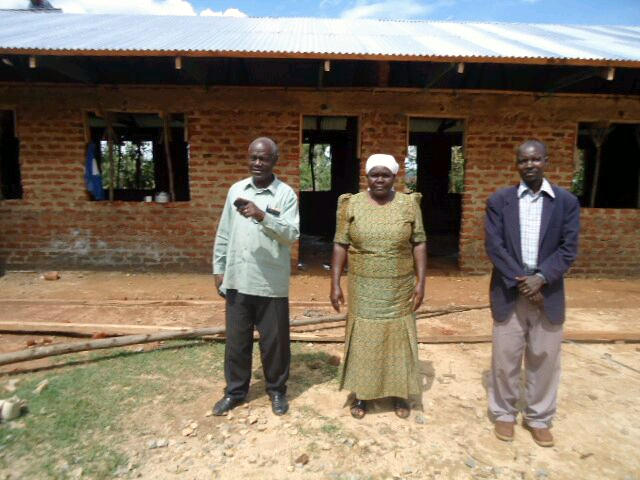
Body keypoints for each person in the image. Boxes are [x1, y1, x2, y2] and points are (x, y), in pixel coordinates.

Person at [485, 139, 580, 447]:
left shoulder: (565, 202)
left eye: (535, 159)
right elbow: (494, 247)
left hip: (548, 293)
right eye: (523, 161)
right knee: (505, 357)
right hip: (509, 290)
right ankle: (504, 414)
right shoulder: (500, 200)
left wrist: (541, 278)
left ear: (546, 161)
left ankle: (539, 417)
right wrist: (523, 281)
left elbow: (568, 249)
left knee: (544, 357)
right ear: (517, 164)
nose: (529, 165)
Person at [330, 153, 427, 419]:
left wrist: (421, 282)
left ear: (394, 177)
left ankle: (398, 392)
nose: (380, 180)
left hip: (399, 286)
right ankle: (362, 394)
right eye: (375, 174)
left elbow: (419, 242)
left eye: (385, 175)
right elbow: (340, 243)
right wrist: (335, 282)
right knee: (365, 338)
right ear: (367, 177)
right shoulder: (352, 204)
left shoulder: (409, 204)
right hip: (363, 286)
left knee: (397, 337)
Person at [212, 137, 299, 416]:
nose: (257, 163)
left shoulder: (285, 195)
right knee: (237, 343)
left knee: (275, 344)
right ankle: (235, 392)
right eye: (253, 158)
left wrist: (263, 216)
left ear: (275, 161)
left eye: (263, 158)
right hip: (238, 279)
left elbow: (291, 235)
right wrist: (219, 268)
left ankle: (276, 391)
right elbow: (224, 232)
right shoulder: (236, 190)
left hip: (270, 283)